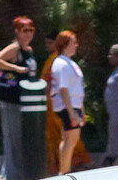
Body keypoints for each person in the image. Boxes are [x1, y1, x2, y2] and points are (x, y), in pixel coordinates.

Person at [0, 17, 40, 177]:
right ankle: (10, 176)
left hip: (25, 101)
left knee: (21, 140)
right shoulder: (14, 48)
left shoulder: (28, 50)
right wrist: (16, 68)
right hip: (10, 100)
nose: (29, 34)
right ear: (17, 32)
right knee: (12, 139)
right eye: (25, 30)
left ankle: (12, 174)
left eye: (31, 30)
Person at [44, 31, 88, 174]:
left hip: (75, 105)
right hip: (67, 107)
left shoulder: (70, 63)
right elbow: (63, 89)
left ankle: (64, 171)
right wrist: (71, 113)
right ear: (65, 44)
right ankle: (63, 172)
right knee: (70, 140)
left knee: (70, 139)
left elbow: (76, 88)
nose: (76, 45)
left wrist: (81, 110)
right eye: (73, 42)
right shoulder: (60, 63)